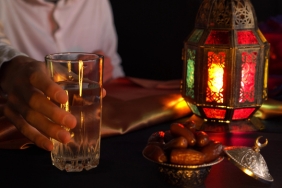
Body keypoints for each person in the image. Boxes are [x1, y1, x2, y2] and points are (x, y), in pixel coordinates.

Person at [0, 0, 124, 151]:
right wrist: (10, 67)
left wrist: (108, 72)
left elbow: (115, 67)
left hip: (99, 136)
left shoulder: (97, 3)